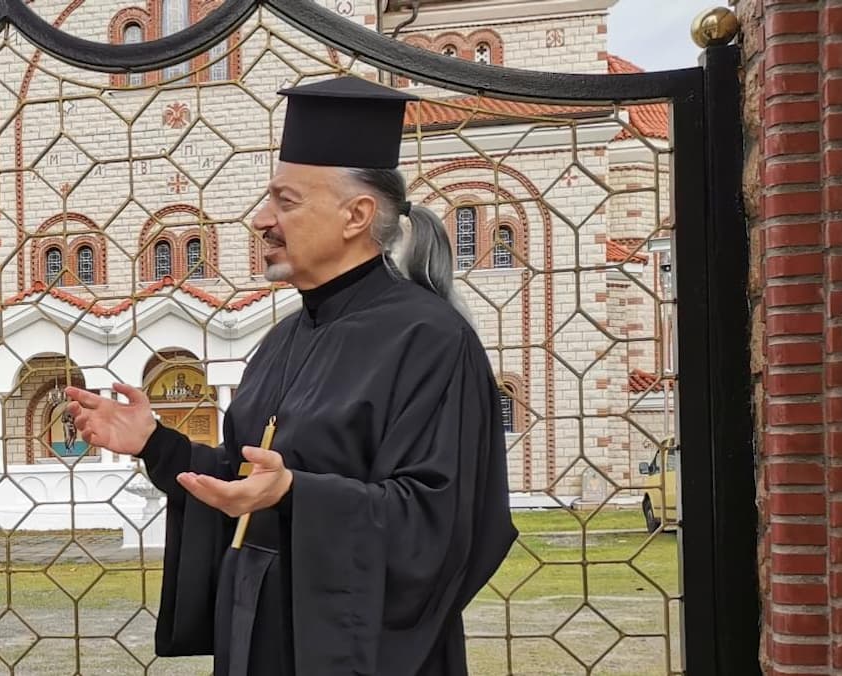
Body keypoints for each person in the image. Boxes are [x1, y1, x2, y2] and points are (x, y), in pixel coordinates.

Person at [64, 76, 517, 675]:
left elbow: (443, 521)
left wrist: (297, 493)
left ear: (357, 215)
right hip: (258, 628)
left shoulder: (431, 339)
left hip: (359, 650)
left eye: (286, 201)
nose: (261, 220)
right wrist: (156, 444)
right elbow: (247, 478)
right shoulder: (282, 339)